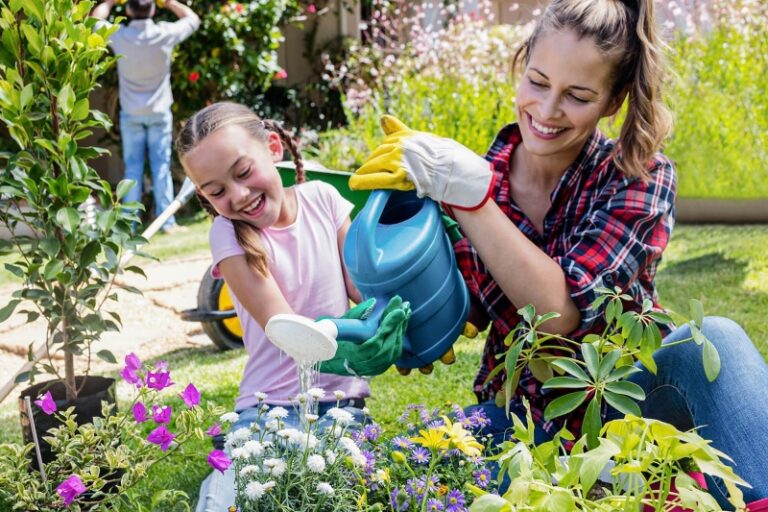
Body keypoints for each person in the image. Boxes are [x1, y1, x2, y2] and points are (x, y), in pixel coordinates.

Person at [349, 0, 768, 508]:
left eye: (577, 96)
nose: (547, 111)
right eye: (538, 82)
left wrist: (469, 201)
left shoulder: (639, 177)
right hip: (524, 422)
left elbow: (558, 313)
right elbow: (451, 310)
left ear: (612, 102)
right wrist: (382, 321)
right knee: (389, 477)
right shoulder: (466, 175)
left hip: (631, 410)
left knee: (716, 339)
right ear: (521, 66)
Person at [174, 102, 410, 511]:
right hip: (271, 410)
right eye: (217, 192)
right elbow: (288, 330)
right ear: (204, 196)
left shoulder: (323, 199)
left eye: (244, 172)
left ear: (273, 148)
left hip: (341, 410)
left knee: (343, 496)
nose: (239, 195)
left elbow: (366, 290)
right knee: (237, 496)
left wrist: (400, 303)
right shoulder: (226, 233)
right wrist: (354, 341)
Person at [92, 0, 199, 234]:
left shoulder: (119, 36)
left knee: (132, 169)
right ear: (152, 9)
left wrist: (109, 1)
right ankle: (167, 223)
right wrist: (170, 2)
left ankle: (130, 224)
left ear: (128, 10)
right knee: (161, 167)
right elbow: (193, 20)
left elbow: (94, 22)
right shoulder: (164, 33)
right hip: (159, 112)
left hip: (131, 113)